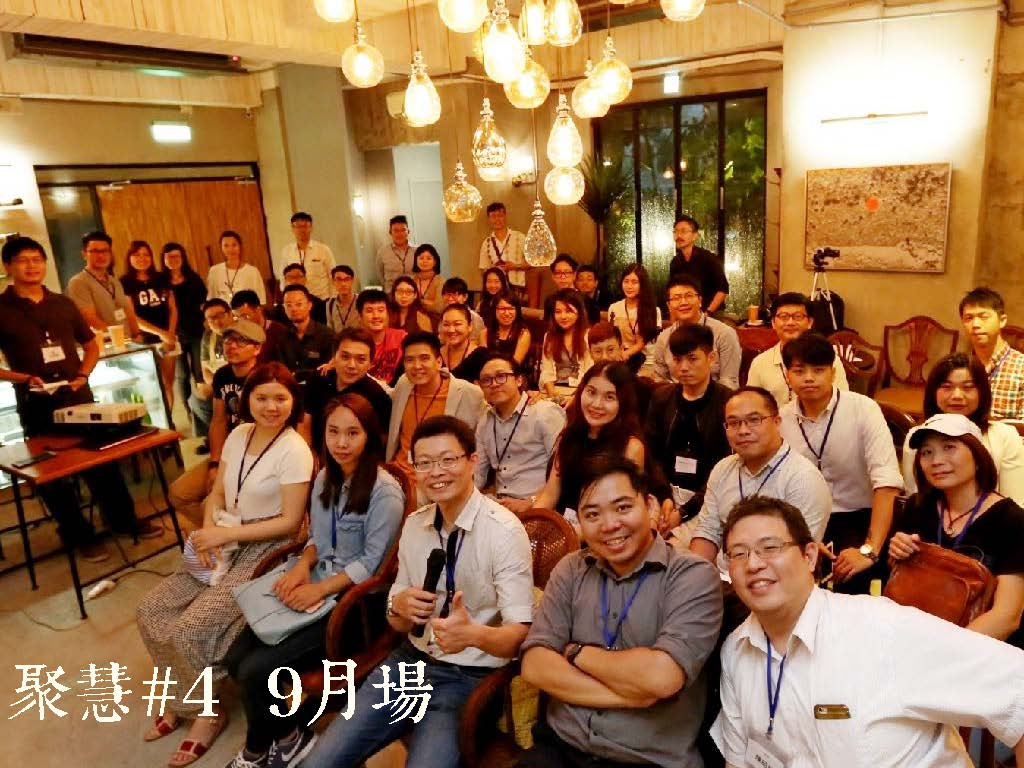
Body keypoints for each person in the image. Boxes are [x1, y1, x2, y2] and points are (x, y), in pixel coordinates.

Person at [713, 495, 1024, 768]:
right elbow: (740, 761)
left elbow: (1018, 687)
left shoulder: (881, 629)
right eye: (738, 553)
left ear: (809, 556)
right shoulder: (736, 651)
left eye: (770, 548)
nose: (753, 564)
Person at [300, 415, 534, 768]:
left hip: (467, 679)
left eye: (448, 460)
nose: (436, 472)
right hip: (408, 663)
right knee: (321, 762)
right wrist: (398, 606)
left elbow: (519, 636)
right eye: (424, 463)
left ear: (472, 461)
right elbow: (397, 621)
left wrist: (474, 635)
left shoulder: (504, 532)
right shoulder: (415, 525)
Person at [136, 363, 313, 768]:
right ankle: (182, 696)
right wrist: (207, 530)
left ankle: (207, 712)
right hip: (223, 535)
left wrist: (223, 536)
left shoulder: (295, 450)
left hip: (264, 548)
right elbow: (216, 492)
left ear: (293, 402)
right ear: (247, 400)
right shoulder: (237, 435)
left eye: (280, 398)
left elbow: (290, 522)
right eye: (262, 397)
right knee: (150, 609)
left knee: (191, 627)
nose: (271, 406)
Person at [223, 393, 404, 768]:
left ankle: (257, 748)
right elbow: (317, 541)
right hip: (317, 585)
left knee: (256, 671)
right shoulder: (324, 477)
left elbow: (373, 565)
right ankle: (290, 736)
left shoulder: (385, 492)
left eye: (352, 433)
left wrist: (319, 589)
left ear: (369, 436)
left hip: (353, 606)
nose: (341, 442)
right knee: (235, 658)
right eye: (333, 432)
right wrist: (302, 566)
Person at [520, 454, 723, 768]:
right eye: (592, 514)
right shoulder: (570, 570)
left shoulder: (691, 576)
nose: (610, 525)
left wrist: (576, 652)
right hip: (561, 747)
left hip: (646, 759)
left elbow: (662, 678)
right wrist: (629, 696)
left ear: (651, 506)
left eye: (623, 507)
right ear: (580, 521)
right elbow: (535, 665)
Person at [0, 236, 158, 562]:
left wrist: (83, 375)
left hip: (78, 396)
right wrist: (23, 378)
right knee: (53, 475)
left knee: (102, 462)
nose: (31, 266)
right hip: (36, 401)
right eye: (23, 260)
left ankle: (123, 520)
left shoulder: (62, 303)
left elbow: (91, 344)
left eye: (37, 259)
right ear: (7, 266)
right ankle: (78, 535)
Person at [779, 332, 903, 593]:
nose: (809, 378)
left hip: (860, 518)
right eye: (799, 371)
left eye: (818, 370)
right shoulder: (782, 419)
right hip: (802, 520)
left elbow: (887, 482)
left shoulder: (864, 409)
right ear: (787, 375)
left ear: (833, 373)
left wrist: (869, 550)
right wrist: (802, 537)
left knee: (852, 583)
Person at [891, 413, 1024, 643]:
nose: (936, 461)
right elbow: (901, 583)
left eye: (949, 447)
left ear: (978, 456)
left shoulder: (1011, 520)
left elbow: (1007, 616)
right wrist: (897, 552)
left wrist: (945, 649)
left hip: (980, 645)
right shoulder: (917, 507)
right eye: (927, 452)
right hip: (918, 633)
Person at [687, 386, 831, 568]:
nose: (743, 430)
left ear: (777, 422)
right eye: (733, 423)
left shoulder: (803, 478)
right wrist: (693, 577)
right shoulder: (723, 469)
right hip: (725, 576)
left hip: (777, 579)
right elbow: (708, 531)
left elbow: (796, 557)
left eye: (754, 420)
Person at [169, 318, 265, 527]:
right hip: (228, 452)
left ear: (257, 348)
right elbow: (219, 421)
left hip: (256, 455)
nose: (231, 346)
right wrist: (215, 463)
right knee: (179, 493)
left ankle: (228, 535)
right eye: (228, 340)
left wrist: (229, 470)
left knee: (215, 505)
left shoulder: (265, 377)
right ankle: (222, 537)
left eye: (241, 341)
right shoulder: (222, 374)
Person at [901, 353, 1024, 504]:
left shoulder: (1005, 436)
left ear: (982, 392)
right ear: (933, 392)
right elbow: (915, 497)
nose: (957, 395)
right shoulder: (917, 436)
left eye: (968, 387)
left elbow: (1017, 503)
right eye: (947, 387)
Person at [645, 324, 733, 523]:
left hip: (710, 499)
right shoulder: (661, 398)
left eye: (692, 359)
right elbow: (652, 455)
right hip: (664, 494)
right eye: (677, 360)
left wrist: (684, 511)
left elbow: (726, 466)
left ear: (711, 358)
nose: (683, 367)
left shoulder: (728, 403)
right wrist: (664, 496)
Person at [536, 362, 645, 519]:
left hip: (604, 529)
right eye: (591, 392)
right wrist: (527, 526)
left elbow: (624, 511)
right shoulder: (568, 436)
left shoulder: (631, 447)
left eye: (609, 397)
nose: (596, 404)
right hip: (562, 526)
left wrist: (578, 532)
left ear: (623, 402)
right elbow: (550, 495)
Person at [385, 331, 486, 485]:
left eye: (424, 358)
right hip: (397, 475)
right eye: (409, 360)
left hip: (437, 480)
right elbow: (384, 391)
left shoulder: (468, 394)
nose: (417, 366)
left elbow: (486, 438)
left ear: (439, 362)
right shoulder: (404, 384)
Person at [475, 353, 566, 514]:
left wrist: (531, 502)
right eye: (486, 380)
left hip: (540, 508)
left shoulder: (545, 413)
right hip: (500, 508)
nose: (494, 384)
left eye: (501, 376)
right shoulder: (484, 422)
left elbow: (564, 471)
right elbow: (478, 475)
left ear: (518, 380)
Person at [746, 292, 848, 406]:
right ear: (773, 322)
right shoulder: (760, 363)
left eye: (798, 317)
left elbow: (842, 401)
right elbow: (751, 404)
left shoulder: (827, 358)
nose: (790, 322)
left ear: (810, 322)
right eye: (784, 317)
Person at [305, 328, 393, 448]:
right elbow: (305, 420)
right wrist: (309, 452)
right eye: (345, 357)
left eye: (361, 359)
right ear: (334, 357)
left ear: (370, 364)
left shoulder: (377, 396)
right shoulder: (318, 379)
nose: (351, 365)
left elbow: (383, 440)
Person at [652, 275, 740, 389]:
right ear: (669, 305)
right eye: (676, 298)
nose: (683, 302)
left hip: (715, 397)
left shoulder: (724, 334)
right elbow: (659, 379)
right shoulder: (664, 338)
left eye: (689, 296)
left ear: (700, 300)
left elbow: (729, 382)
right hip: (676, 396)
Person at [120, 240, 179, 409]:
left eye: (146, 254)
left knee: (167, 383)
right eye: (137, 254)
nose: (142, 258)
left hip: (167, 339)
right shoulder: (125, 282)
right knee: (152, 384)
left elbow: (173, 308)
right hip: (143, 340)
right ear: (129, 258)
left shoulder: (161, 278)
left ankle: (169, 418)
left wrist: (170, 334)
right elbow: (131, 316)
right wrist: (161, 333)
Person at [960, 286, 1024, 420]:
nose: (975, 324)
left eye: (983, 317)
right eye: (969, 318)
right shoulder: (959, 367)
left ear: (1002, 320)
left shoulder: (1021, 367)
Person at [66, 230, 143, 338]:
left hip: (127, 342)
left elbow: (128, 312)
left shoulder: (114, 281)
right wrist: (119, 338)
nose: (101, 255)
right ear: (84, 254)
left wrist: (137, 335)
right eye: (95, 251)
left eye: (105, 251)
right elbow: (90, 319)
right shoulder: (78, 282)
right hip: (106, 343)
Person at [162, 243, 207, 424]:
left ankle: (202, 409)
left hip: (196, 331)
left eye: (177, 256)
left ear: (183, 258)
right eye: (169, 256)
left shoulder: (193, 278)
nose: (173, 260)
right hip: (174, 334)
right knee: (181, 375)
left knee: (199, 371)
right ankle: (188, 410)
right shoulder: (161, 282)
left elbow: (203, 303)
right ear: (164, 259)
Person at [188, 298, 234, 444]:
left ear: (230, 314)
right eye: (211, 318)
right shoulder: (208, 336)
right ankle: (213, 437)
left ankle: (227, 436)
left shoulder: (239, 334)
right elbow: (205, 367)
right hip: (217, 380)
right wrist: (213, 384)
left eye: (220, 315)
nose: (216, 321)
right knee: (196, 398)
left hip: (236, 381)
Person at [539, 288, 593, 399]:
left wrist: (574, 397)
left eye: (568, 311)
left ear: (579, 312)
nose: (563, 316)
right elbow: (546, 369)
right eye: (558, 312)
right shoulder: (549, 336)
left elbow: (590, 371)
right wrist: (552, 393)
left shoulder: (588, 335)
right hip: (554, 390)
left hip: (580, 391)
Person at [607, 264, 662, 372]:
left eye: (634, 282)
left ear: (642, 285)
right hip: (621, 360)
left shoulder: (653, 310)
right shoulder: (614, 308)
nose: (629, 286)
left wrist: (626, 353)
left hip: (647, 361)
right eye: (626, 281)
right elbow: (612, 337)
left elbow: (643, 342)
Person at [667, 215, 727, 313]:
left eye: (683, 231)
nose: (678, 236)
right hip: (686, 313)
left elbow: (723, 290)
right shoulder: (675, 262)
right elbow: (673, 291)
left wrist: (708, 313)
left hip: (712, 313)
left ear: (695, 235)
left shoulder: (709, 258)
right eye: (675, 232)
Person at [278, 284, 336, 385]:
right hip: (290, 388)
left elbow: (330, 369)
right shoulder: (282, 337)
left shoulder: (327, 335)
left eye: (299, 304)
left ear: (309, 305)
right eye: (288, 305)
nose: (293, 309)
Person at [280, 211, 336, 301]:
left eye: (305, 226)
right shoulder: (287, 251)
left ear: (311, 228)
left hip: (321, 299)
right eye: (298, 226)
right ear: (292, 228)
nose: (302, 230)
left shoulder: (323, 249)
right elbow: (283, 278)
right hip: (298, 301)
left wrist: (333, 300)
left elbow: (333, 276)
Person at [479, 201, 528, 297]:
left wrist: (515, 266)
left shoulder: (520, 237)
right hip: (496, 291)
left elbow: (534, 263)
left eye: (500, 216)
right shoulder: (486, 243)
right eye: (493, 216)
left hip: (517, 290)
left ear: (505, 216)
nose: (497, 219)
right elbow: (484, 270)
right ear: (489, 219)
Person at [358, 288, 406, 385]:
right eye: (369, 311)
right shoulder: (353, 343)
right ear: (360, 316)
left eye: (380, 310)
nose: (376, 316)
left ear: (387, 314)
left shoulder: (401, 337)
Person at [205, 230, 266, 305]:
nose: (230, 249)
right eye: (226, 246)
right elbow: (211, 299)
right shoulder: (214, 271)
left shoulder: (252, 271)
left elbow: (261, 300)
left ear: (240, 246)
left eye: (234, 245)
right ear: (221, 248)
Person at [230, 289, 289, 364]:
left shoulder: (279, 332)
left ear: (258, 310)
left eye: (245, 316)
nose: (241, 321)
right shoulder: (238, 335)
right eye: (237, 318)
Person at [543, 254, 600, 325]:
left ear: (574, 275)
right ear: (553, 276)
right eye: (558, 273)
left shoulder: (586, 301)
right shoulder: (550, 300)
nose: (562, 277)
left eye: (567, 272)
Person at [439, 303, 490, 382]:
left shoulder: (482, 356)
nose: (451, 330)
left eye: (457, 324)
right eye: (446, 325)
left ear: (470, 326)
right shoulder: (436, 354)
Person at [481, 290, 532, 368]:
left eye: (511, 309)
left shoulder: (523, 334)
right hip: (488, 371)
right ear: (494, 310)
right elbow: (482, 361)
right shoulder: (485, 333)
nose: (507, 313)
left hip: (512, 372)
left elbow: (516, 363)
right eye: (502, 309)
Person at [377, 214, 416, 292]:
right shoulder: (382, 252)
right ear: (390, 232)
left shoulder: (417, 250)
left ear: (408, 231)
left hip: (412, 292)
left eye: (403, 230)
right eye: (396, 230)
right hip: (391, 293)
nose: (399, 234)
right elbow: (380, 275)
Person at [442, 276, 486, 343]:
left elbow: (477, 341)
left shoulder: (474, 318)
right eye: (447, 295)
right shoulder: (444, 315)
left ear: (465, 297)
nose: (450, 299)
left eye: (455, 295)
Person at [325, 265, 360, 333]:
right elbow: (330, 330)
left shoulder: (360, 301)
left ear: (352, 281)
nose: (343, 284)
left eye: (347, 279)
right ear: (333, 281)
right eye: (339, 280)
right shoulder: (330, 304)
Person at [412, 243, 444, 314]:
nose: (424, 261)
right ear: (416, 260)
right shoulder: (412, 280)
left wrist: (418, 302)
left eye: (429, 258)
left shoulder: (440, 281)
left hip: (435, 318)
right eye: (421, 258)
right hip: (413, 317)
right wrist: (429, 302)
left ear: (435, 262)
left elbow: (439, 307)